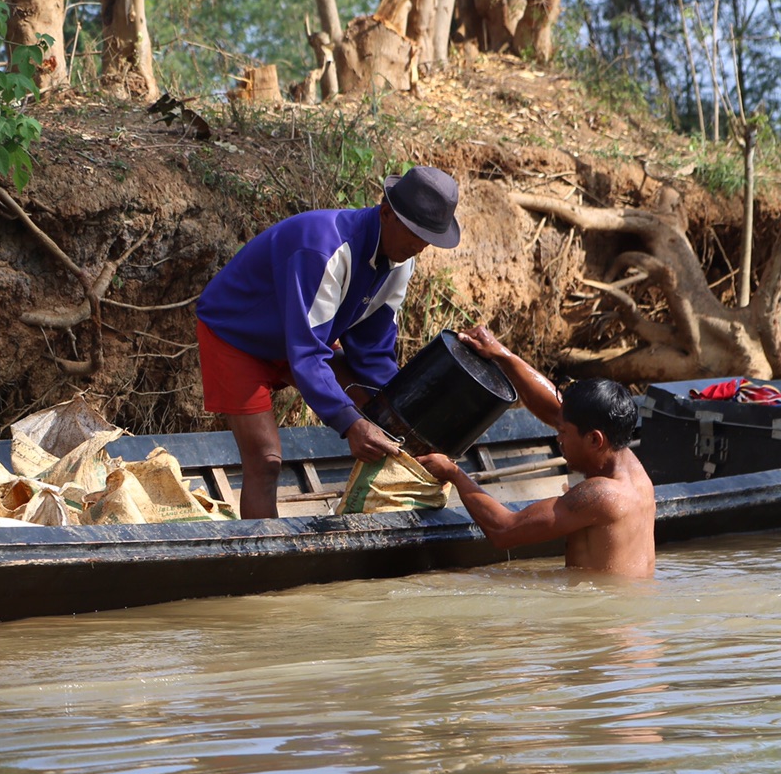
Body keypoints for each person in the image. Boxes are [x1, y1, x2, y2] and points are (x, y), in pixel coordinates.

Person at [196, 165, 463, 518]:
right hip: (236, 335)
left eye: (428, 239)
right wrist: (351, 424)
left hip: (302, 338)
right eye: (414, 234)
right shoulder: (324, 249)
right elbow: (307, 355)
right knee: (266, 460)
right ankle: (269, 564)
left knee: (383, 416)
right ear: (386, 213)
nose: (420, 247)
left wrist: (409, 419)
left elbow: (373, 352)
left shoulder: (401, 261)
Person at [416, 326, 656, 578]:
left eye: (563, 432)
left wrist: (453, 472)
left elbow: (504, 531)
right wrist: (501, 354)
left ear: (594, 440)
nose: (557, 436)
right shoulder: (630, 468)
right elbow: (556, 410)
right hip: (625, 610)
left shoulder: (600, 494)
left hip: (600, 616)